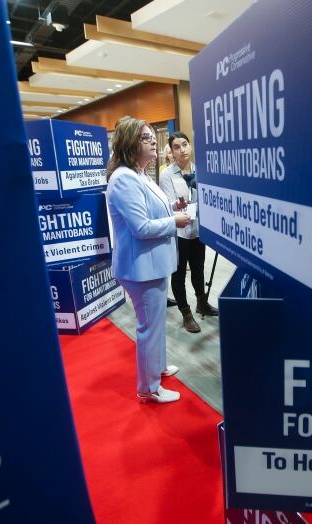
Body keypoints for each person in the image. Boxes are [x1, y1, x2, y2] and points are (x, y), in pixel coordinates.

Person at [106, 116, 191, 403]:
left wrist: (172, 207)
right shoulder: (123, 179)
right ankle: (149, 388)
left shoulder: (140, 175)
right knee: (149, 327)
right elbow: (141, 228)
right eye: (145, 138)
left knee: (155, 323)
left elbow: (153, 210)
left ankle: (159, 367)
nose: (154, 141)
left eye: (152, 137)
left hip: (153, 265)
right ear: (130, 144)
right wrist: (175, 221)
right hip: (140, 268)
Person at [160, 131, 219, 333]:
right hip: (179, 231)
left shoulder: (199, 170)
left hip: (197, 229)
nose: (182, 149)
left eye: (184, 144)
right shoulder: (167, 174)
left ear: (190, 146)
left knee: (199, 268)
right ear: (172, 152)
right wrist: (180, 203)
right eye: (176, 147)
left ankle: (201, 302)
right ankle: (186, 313)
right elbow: (167, 205)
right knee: (178, 274)